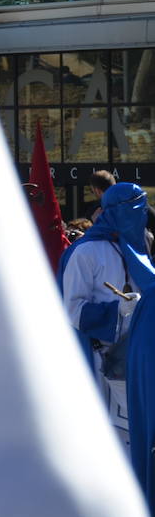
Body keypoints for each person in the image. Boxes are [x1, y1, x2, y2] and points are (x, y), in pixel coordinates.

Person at [60, 182, 150, 447]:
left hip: (138, 354)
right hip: (103, 358)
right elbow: (72, 311)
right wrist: (118, 311)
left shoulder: (140, 246)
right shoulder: (85, 252)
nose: (142, 216)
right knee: (113, 437)